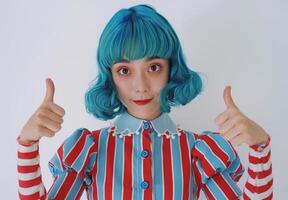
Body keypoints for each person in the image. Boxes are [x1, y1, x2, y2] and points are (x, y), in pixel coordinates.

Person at [17, 4, 272, 200]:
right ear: (111, 77)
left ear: (171, 69)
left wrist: (259, 147)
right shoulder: (90, 148)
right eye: (125, 71)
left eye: (153, 67)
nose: (140, 87)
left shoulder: (197, 151)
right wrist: (27, 144)